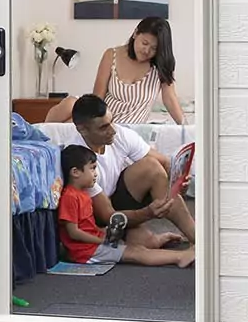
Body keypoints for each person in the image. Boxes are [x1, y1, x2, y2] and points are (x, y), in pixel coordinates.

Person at [44, 93, 196, 245]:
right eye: (103, 127)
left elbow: (165, 163)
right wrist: (148, 213)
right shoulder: (78, 159)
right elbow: (107, 215)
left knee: (152, 167)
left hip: (117, 197)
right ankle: (156, 239)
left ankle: (197, 239)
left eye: (112, 121)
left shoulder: (120, 134)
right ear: (82, 130)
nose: (112, 130)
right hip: (99, 214)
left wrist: (177, 182)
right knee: (146, 243)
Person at [57, 144, 194, 268]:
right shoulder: (70, 197)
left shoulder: (82, 194)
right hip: (86, 252)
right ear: (75, 172)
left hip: (93, 242)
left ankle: (167, 244)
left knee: (136, 246)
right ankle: (180, 257)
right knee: (137, 253)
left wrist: (104, 233)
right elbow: (73, 232)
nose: (95, 174)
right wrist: (99, 240)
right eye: (92, 169)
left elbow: (87, 226)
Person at [46, 17, 186, 126]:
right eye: (144, 43)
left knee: (69, 126)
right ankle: (42, 140)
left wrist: (187, 128)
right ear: (135, 33)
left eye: (154, 48)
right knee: (69, 104)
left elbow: (170, 98)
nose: (146, 50)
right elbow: (97, 98)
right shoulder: (111, 55)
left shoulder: (161, 66)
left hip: (127, 130)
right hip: (102, 122)